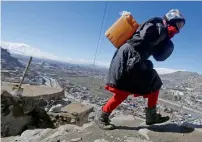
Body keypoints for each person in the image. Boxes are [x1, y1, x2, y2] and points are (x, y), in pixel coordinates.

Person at [95, 9, 186, 130]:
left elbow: (159, 57)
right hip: (128, 57)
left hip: (137, 61)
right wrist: (163, 32)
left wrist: (166, 43)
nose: (179, 28)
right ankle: (101, 116)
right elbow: (146, 35)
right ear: (171, 20)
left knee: (154, 82)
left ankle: (151, 116)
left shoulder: (164, 35)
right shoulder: (156, 24)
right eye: (178, 24)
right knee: (122, 92)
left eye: (181, 26)